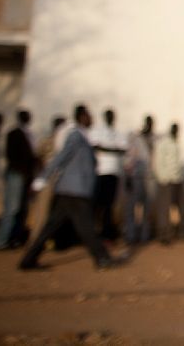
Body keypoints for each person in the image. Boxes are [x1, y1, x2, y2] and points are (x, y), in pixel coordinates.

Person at [19, 105, 118, 270]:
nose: (91, 118)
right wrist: (41, 180)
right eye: (88, 115)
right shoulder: (75, 136)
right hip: (74, 190)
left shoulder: (83, 137)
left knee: (51, 226)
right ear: (81, 117)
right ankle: (102, 258)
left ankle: (28, 259)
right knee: (86, 226)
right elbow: (61, 157)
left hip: (70, 190)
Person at [0, 109, 37, 249]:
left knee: (22, 209)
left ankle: (14, 238)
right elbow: (11, 155)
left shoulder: (28, 134)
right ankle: (0, 241)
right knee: (11, 208)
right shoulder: (14, 133)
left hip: (25, 176)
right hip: (16, 175)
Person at [89, 108, 126, 240]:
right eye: (109, 116)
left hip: (114, 173)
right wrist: (113, 149)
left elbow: (123, 150)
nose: (111, 118)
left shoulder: (118, 133)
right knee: (98, 204)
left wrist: (106, 149)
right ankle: (93, 232)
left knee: (109, 205)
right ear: (105, 117)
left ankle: (107, 232)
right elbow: (95, 147)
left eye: (113, 116)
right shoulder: (97, 131)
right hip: (100, 172)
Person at [123, 115, 154, 245]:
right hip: (135, 176)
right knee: (131, 207)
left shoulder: (152, 139)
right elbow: (129, 157)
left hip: (147, 177)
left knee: (146, 207)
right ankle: (131, 235)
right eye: (148, 124)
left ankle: (143, 235)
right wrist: (128, 175)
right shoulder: (135, 138)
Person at [153, 123, 184, 244]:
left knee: (180, 206)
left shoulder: (176, 143)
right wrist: (162, 177)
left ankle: (179, 231)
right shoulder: (163, 144)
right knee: (164, 208)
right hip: (166, 179)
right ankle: (163, 234)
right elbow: (158, 161)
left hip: (177, 178)